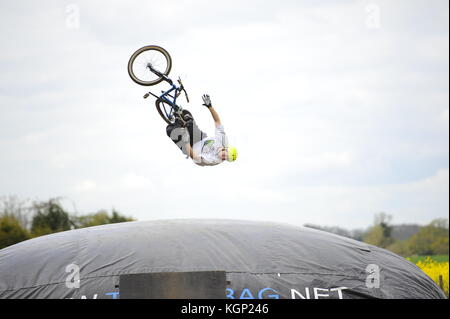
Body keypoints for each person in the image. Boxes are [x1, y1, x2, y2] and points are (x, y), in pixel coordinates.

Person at [166, 94, 237, 166]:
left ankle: (178, 125)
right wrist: (210, 106)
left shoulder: (214, 160)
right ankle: (180, 120)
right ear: (226, 149)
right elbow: (217, 121)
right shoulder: (223, 141)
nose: (223, 158)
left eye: (225, 159)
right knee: (186, 114)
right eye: (225, 155)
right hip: (200, 138)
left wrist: (186, 142)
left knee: (170, 130)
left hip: (190, 148)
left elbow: (195, 158)